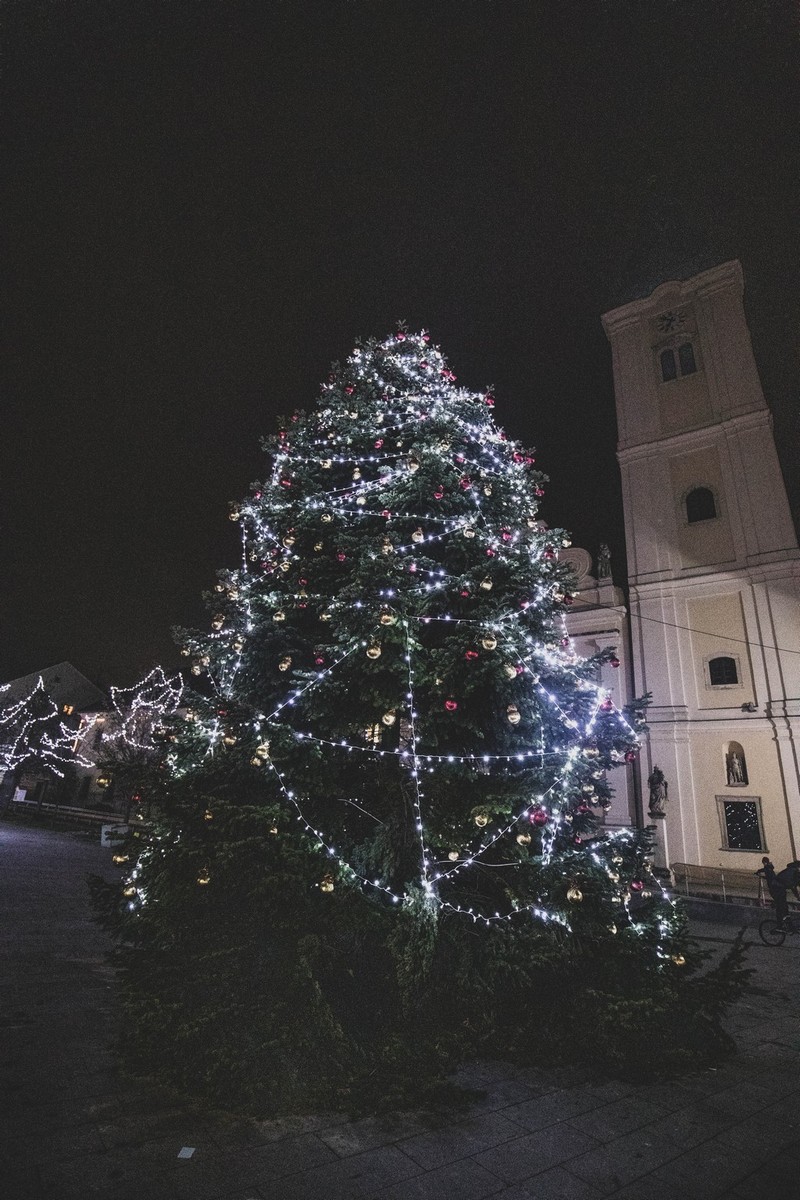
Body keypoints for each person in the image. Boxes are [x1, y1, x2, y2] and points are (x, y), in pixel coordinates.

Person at [756, 857, 800, 931]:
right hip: (776, 890)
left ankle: (789, 925)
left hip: (779, 889)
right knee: (781, 907)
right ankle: (780, 927)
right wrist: (797, 896)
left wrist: (797, 895)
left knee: (784, 907)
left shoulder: (791, 870)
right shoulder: (793, 872)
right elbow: (793, 885)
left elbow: (794, 885)